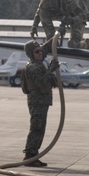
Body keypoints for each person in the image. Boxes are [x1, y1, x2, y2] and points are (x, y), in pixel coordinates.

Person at [21, 39, 60, 167]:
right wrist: (51, 70)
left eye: (41, 51)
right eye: (37, 52)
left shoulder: (39, 63)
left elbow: (48, 46)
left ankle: (33, 155)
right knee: (36, 128)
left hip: (42, 101)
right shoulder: (33, 67)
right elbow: (40, 82)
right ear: (31, 54)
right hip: (37, 102)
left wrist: (57, 35)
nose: (40, 53)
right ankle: (29, 155)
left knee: (40, 128)